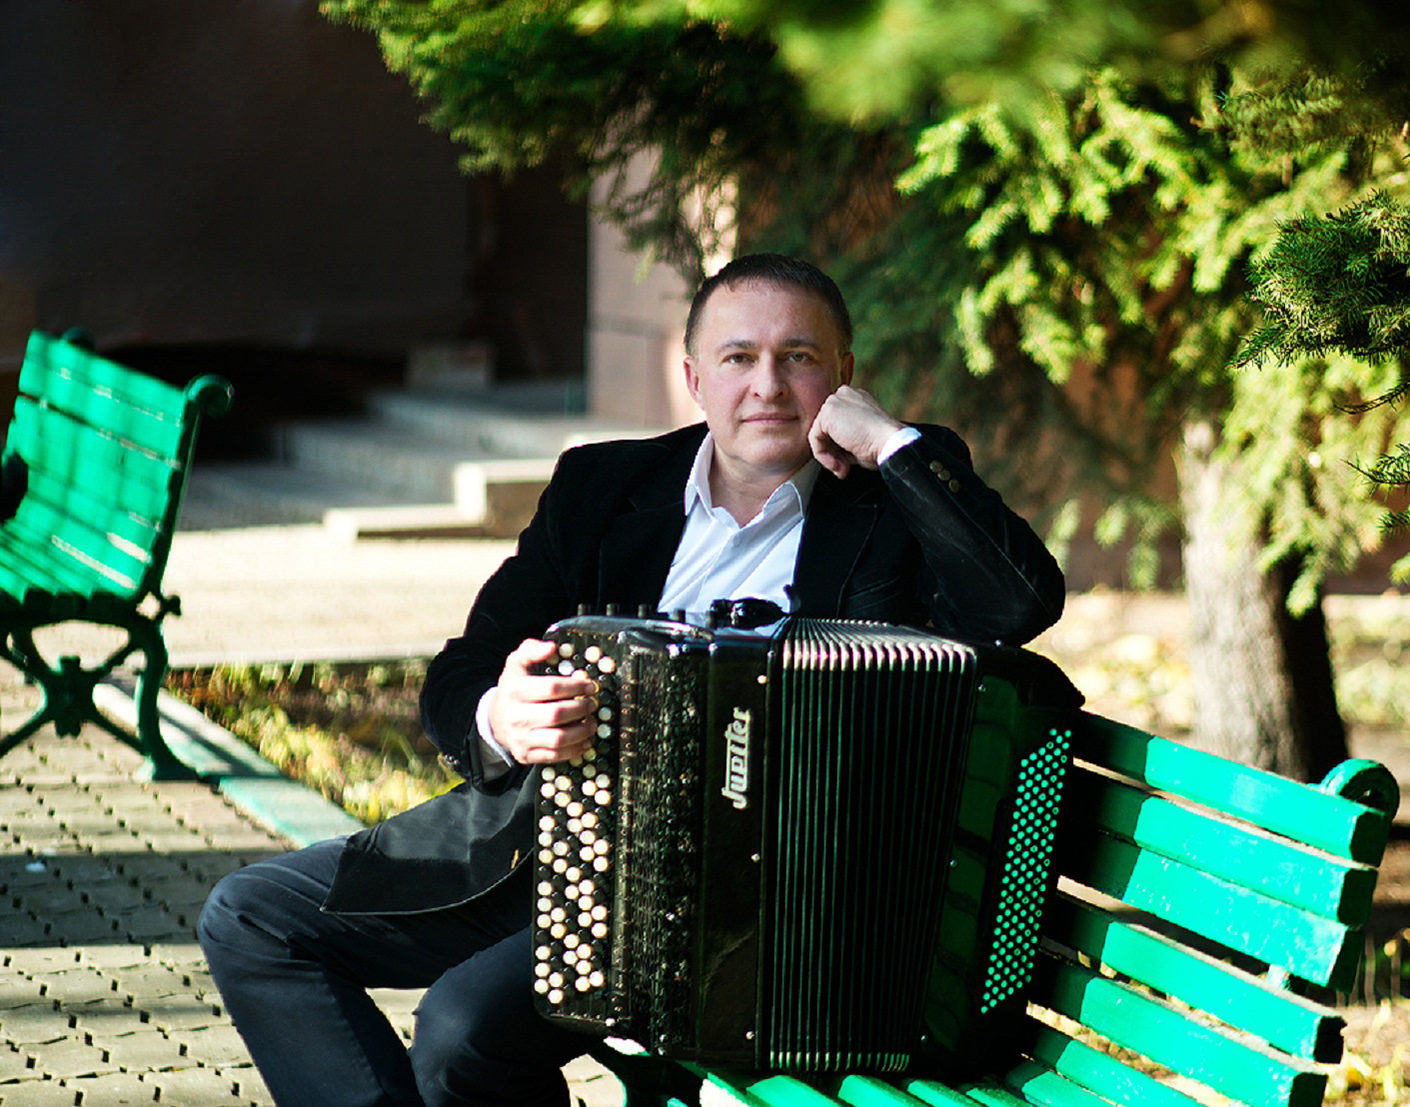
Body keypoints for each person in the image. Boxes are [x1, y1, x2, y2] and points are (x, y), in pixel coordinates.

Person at [198, 253, 1066, 1106]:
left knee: (462, 1031)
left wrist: (892, 444)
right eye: (738, 357)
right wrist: (500, 714)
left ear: (844, 376)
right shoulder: (604, 484)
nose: (766, 383)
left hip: (745, 909)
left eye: (798, 357)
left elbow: (1019, 602)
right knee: (252, 916)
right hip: (540, 846)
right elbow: (465, 664)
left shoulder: (897, 494)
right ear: (693, 377)